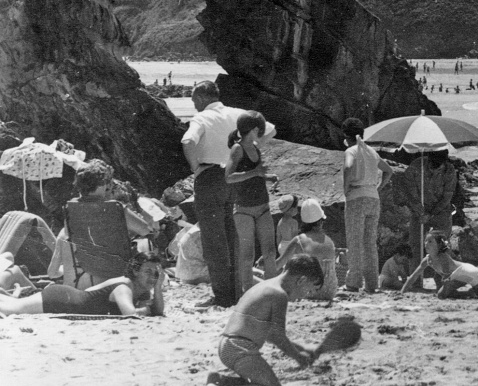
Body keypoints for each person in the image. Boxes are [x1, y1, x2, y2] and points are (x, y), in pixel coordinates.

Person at [182, 81, 276, 308]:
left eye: (194, 99)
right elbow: (271, 129)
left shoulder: (202, 118)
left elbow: (187, 140)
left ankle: (222, 296)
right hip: (237, 178)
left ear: (203, 98)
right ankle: (236, 292)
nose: (194, 104)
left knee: (214, 240)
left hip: (211, 176)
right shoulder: (238, 114)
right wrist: (251, 147)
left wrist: (196, 167)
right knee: (235, 236)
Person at [211, 255, 324, 386]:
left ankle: (221, 381)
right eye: (308, 290)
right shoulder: (279, 294)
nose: (304, 296)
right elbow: (277, 336)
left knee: (262, 383)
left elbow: (269, 334)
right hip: (241, 348)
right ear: (301, 280)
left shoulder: (266, 285)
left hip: (229, 345)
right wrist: (299, 357)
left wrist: (301, 348)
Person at [0, 253, 164, 316]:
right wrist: (149, 309)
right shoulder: (124, 287)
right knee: (9, 309)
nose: (152, 277)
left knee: (10, 304)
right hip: (61, 300)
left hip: (66, 298)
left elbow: (158, 310)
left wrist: (157, 289)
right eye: (148, 272)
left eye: (156, 274)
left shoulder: (140, 290)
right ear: (135, 271)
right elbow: (131, 314)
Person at [225, 111, 277, 297]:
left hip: (262, 206)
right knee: (247, 255)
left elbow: (255, 173)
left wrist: (267, 176)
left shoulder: (255, 147)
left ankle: (272, 291)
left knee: (270, 252)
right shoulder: (237, 149)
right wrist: (256, 172)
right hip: (243, 210)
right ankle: (247, 293)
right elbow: (229, 177)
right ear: (255, 129)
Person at [340, 117, 394, 294]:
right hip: (373, 198)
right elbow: (388, 170)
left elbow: (348, 167)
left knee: (355, 241)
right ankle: (372, 283)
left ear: (347, 136)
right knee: (370, 243)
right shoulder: (371, 151)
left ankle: (353, 282)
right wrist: (378, 187)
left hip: (357, 197)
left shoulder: (351, 150)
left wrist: (346, 188)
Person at [401, 232, 478, 299]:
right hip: (462, 274)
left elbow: (446, 278)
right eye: (425, 241)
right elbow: (413, 277)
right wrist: (402, 292)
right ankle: (470, 293)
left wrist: (444, 291)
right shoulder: (427, 260)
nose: (426, 244)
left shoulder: (443, 257)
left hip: (468, 272)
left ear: (439, 245)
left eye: (430, 241)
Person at [275, 199, 338, 299]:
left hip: (309, 292)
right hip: (330, 292)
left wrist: (266, 264)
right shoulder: (329, 240)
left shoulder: (299, 240)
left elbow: (279, 264)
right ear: (321, 221)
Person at [401, 150, 456, 262]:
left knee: (443, 247)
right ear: (428, 158)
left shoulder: (449, 170)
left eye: (438, 165)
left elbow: (447, 197)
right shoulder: (417, 165)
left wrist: (430, 214)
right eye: (432, 165)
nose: (434, 169)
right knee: (415, 247)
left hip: (441, 212)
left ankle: (444, 277)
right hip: (419, 211)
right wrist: (417, 207)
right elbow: (407, 188)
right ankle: (416, 278)